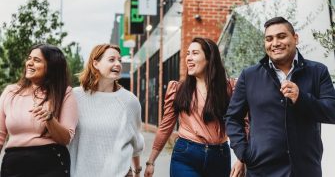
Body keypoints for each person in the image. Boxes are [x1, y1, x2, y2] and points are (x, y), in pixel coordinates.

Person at [225, 16, 335, 177]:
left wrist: (301, 98)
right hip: (262, 170)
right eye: (269, 39)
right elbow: (232, 118)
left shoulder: (318, 72)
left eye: (281, 36)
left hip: (306, 169)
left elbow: (332, 112)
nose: (275, 43)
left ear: (295, 38)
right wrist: (244, 153)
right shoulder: (249, 76)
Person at [144, 37, 245, 177]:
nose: (189, 58)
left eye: (195, 53)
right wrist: (151, 161)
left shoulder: (229, 89)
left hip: (220, 156)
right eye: (188, 53)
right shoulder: (178, 90)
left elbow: (243, 124)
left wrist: (242, 159)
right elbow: (165, 126)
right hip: (186, 155)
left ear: (210, 58)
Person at [0, 44, 78, 177]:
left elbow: (66, 138)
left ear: (51, 66)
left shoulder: (64, 93)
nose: (29, 63)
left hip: (50, 163)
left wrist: (50, 119)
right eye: (29, 58)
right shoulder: (10, 92)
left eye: (37, 60)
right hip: (13, 165)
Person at [68, 44, 144, 177]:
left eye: (119, 60)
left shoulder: (129, 101)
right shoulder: (74, 96)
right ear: (96, 63)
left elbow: (136, 141)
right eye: (112, 59)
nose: (118, 64)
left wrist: (138, 170)